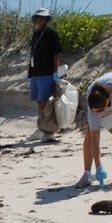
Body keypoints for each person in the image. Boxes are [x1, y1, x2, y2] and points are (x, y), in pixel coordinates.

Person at [73, 76, 112, 188]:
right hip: (99, 96)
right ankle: (87, 174)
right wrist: (99, 167)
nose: (98, 114)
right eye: (96, 112)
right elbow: (94, 140)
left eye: (100, 111)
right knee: (90, 135)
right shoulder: (93, 107)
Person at [26, 8, 62, 142]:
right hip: (36, 73)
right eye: (38, 18)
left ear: (46, 20)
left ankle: (49, 131)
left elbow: (57, 53)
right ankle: (41, 128)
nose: (40, 20)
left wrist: (55, 72)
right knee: (39, 101)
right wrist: (30, 72)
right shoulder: (36, 34)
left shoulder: (51, 34)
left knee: (45, 102)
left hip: (46, 73)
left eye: (43, 18)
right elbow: (32, 54)